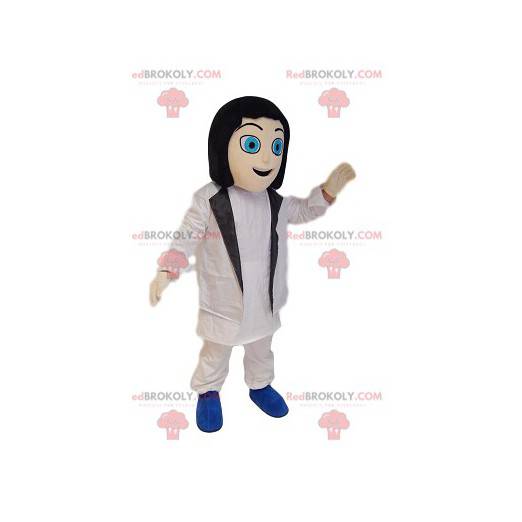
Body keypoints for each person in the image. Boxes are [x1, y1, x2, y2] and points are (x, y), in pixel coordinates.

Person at [150, 96, 356, 432]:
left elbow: (303, 211)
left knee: (262, 347)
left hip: (264, 297)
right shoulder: (210, 199)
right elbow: (187, 235)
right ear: (223, 146)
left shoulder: (273, 201)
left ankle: (259, 385)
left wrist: (328, 192)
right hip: (224, 302)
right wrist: (167, 270)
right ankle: (208, 392)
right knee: (217, 350)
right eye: (251, 144)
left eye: (276, 146)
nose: (266, 158)